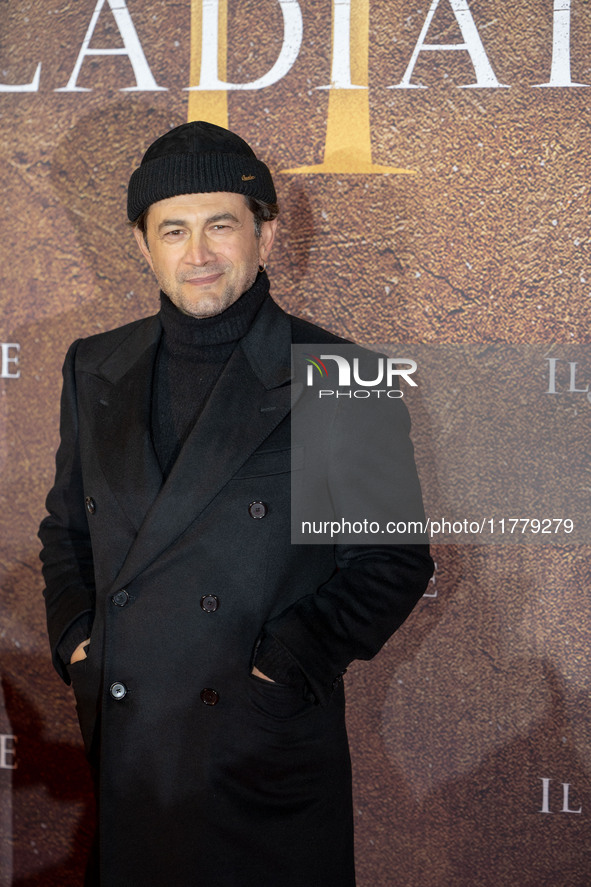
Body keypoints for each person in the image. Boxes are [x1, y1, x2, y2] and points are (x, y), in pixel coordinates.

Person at [39, 121, 433, 887]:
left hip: (260, 751)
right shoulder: (94, 364)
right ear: (141, 243)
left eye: (221, 224)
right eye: (173, 229)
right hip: (133, 742)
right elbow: (68, 527)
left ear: (265, 233)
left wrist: (286, 664)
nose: (198, 254)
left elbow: (391, 560)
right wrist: (79, 639)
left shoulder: (339, 371)